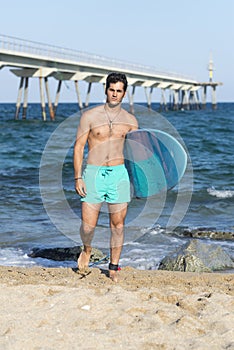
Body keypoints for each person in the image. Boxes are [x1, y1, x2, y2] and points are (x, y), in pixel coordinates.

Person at [73, 72, 138, 282]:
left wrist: (142, 182)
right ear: (106, 90)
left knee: (118, 224)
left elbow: (137, 153)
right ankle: (87, 249)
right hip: (93, 172)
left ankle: (113, 266)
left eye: (119, 91)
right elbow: (79, 147)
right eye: (112, 90)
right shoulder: (89, 117)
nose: (115, 94)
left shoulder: (131, 121)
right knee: (87, 225)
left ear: (124, 93)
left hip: (119, 174)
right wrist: (77, 177)